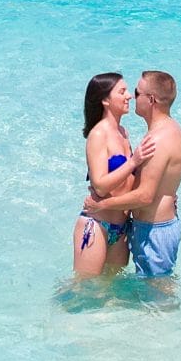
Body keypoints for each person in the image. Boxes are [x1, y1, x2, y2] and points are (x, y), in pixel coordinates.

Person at [84, 70, 181, 279]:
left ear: (151, 99)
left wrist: (101, 205)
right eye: (126, 91)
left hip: (154, 232)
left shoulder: (158, 139)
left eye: (136, 92)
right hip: (142, 229)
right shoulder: (165, 131)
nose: (131, 96)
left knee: (158, 299)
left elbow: (145, 196)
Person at [74, 73, 143, 279]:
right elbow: (100, 185)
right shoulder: (98, 135)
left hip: (121, 228)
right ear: (105, 100)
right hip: (96, 225)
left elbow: (129, 179)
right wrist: (133, 161)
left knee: (111, 293)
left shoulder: (123, 132)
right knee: (83, 290)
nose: (129, 96)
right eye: (122, 92)